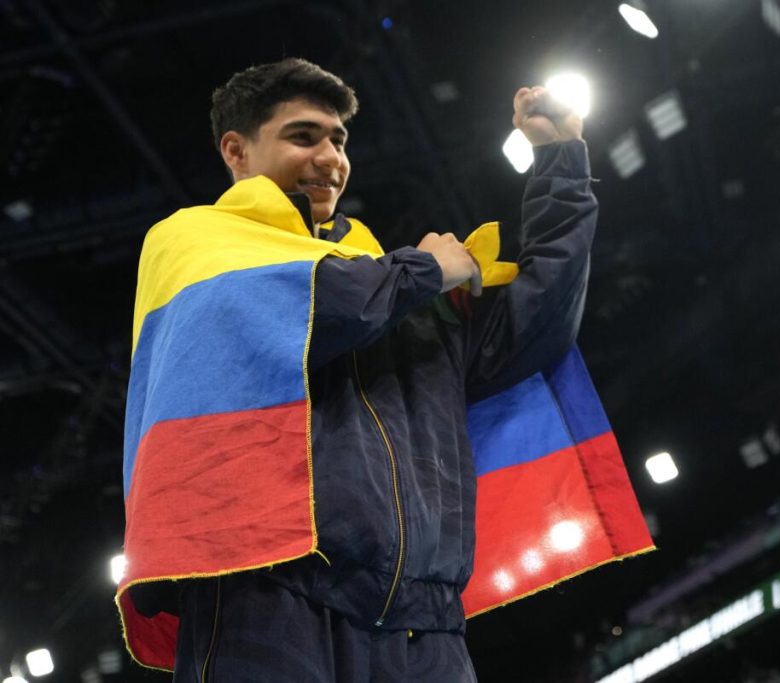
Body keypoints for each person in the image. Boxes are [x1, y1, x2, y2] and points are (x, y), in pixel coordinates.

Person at [118, 57, 598, 682]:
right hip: (270, 593)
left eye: (338, 140)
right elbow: (317, 308)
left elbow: (536, 328)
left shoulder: (386, 281)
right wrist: (424, 271)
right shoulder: (194, 242)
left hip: (425, 619)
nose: (329, 158)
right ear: (235, 151)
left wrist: (561, 163)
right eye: (303, 136)